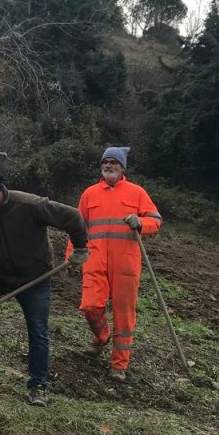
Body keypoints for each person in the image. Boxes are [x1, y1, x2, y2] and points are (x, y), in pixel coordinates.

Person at [0, 170, 89, 406]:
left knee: (38, 329)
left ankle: (38, 385)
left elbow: (72, 216)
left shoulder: (30, 205)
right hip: (0, 273)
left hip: (35, 277)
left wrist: (81, 247)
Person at [66, 146, 162, 382]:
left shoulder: (137, 193)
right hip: (94, 259)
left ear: (122, 168)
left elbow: (156, 221)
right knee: (90, 306)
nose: (108, 165)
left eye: (113, 162)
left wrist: (140, 222)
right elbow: (78, 228)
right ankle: (101, 337)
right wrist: (72, 255)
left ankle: (119, 364)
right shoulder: (89, 194)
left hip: (126, 263)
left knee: (124, 314)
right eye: (105, 162)